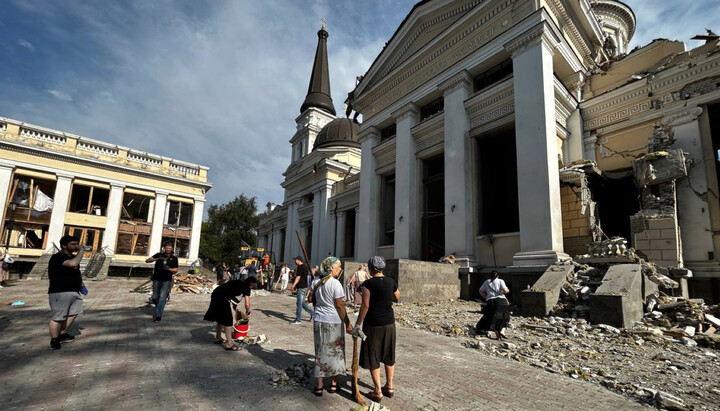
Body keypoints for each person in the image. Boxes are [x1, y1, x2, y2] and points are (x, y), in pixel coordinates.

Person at [353, 256, 400, 402]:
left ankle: (378, 391)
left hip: (373, 323)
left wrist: (357, 324)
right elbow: (397, 297)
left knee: (373, 354)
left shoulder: (368, 284)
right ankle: (390, 387)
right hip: (389, 322)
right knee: (388, 354)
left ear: (370, 268)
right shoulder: (391, 281)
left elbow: (365, 305)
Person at [309, 256, 352, 396]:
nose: (340, 269)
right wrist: (348, 323)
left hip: (319, 320)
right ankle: (334, 383)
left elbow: (310, 299)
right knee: (336, 353)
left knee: (320, 352)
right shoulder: (335, 284)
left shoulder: (316, 281)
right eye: (338, 267)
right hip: (334, 321)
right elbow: (339, 305)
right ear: (332, 268)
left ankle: (319, 385)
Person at [47, 235, 86, 350]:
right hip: (60, 291)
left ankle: (63, 334)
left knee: (73, 313)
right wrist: (82, 251)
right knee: (58, 316)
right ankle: (54, 340)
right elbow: (72, 264)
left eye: (76, 244)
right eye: (73, 244)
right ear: (64, 245)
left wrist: (82, 285)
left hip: (74, 291)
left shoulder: (74, 257)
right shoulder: (57, 257)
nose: (76, 246)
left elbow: (76, 272)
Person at [203, 276, 257, 351]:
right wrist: (248, 312)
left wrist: (235, 309)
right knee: (228, 320)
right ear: (251, 283)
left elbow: (233, 296)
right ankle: (229, 344)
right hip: (222, 298)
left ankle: (218, 338)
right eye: (253, 284)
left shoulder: (239, 282)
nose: (253, 286)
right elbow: (247, 304)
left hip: (216, 294)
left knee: (220, 317)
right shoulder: (246, 287)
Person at [145, 243, 179, 322]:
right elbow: (147, 260)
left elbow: (176, 269)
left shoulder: (174, 258)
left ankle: (158, 316)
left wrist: (169, 269)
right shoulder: (159, 254)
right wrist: (156, 259)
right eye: (167, 248)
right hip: (157, 278)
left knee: (162, 297)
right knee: (155, 297)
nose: (168, 249)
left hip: (166, 279)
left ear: (172, 249)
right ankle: (159, 307)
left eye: (170, 248)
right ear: (164, 248)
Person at [476, 270, 510, 340]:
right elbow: (506, 291)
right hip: (502, 301)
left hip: (491, 302)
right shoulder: (501, 281)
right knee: (504, 317)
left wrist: (486, 297)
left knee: (493, 318)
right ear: (498, 276)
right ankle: (502, 331)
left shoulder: (486, 282)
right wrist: (503, 292)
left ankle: (498, 336)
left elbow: (480, 290)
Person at [290, 256, 314, 324]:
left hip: (301, 287)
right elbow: (307, 277)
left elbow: (298, 277)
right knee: (302, 303)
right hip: (304, 286)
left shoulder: (300, 267)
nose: (294, 261)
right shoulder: (305, 267)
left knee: (299, 303)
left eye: (295, 260)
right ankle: (313, 314)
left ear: (298, 260)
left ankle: (298, 320)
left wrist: (293, 286)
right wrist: (307, 286)